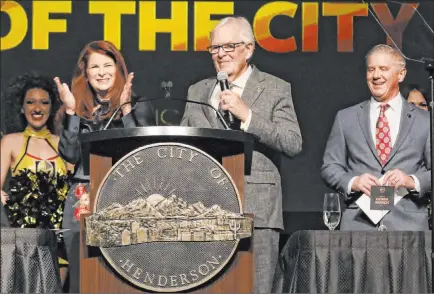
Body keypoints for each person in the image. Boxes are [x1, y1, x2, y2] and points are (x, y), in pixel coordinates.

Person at [180, 16, 302, 293]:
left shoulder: (275, 88)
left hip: (256, 210)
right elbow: (183, 145)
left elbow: (293, 142)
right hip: (203, 209)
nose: (221, 54)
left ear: (249, 49)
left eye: (229, 46)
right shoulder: (197, 90)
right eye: (215, 48)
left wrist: (248, 116)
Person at [54, 40, 154, 292]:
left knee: (123, 275)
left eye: (108, 65)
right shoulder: (75, 108)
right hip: (82, 198)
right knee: (83, 275)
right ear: (85, 73)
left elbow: (144, 153)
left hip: (125, 198)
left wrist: (126, 108)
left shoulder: (139, 106)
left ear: (118, 68)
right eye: (94, 67)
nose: (101, 72)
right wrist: (70, 111)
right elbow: (69, 154)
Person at [321, 44, 431, 231]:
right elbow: (329, 167)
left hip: (408, 228)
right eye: (371, 69)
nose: (376, 75)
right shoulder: (346, 117)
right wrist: (353, 182)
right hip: (358, 224)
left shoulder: (425, 120)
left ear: (401, 74)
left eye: (384, 69)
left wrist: (411, 181)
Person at [0, 72, 70, 284]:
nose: (37, 108)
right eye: (30, 102)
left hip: (59, 238)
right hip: (22, 240)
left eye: (44, 102)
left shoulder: (64, 144)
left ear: (51, 108)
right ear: (22, 108)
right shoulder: (11, 141)